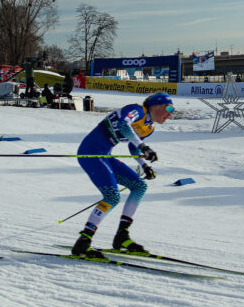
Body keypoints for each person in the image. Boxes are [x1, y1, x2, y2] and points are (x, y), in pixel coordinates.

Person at [70, 93, 174, 258]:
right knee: (112, 197)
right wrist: (144, 147)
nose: (170, 114)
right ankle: (83, 241)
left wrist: (144, 165)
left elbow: (133, 147)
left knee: (139, 186)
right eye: (168, 109)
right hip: (91, 152)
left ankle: (122, 236)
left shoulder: (149, 127)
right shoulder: (138, 110)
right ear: (156, 105)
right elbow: (123, 125)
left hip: (105, 154)